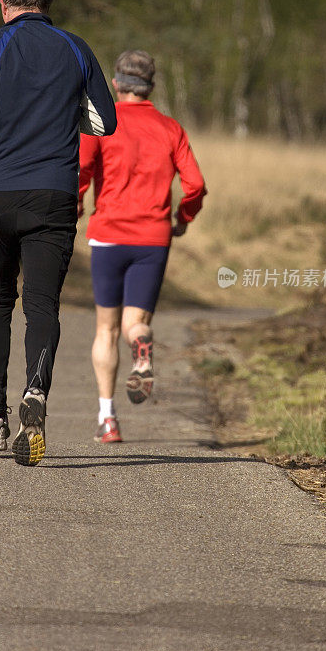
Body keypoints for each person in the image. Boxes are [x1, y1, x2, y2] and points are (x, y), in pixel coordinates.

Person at [0, 0, 116, 465]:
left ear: (3, 1)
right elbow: (105, 122)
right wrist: (62, 114)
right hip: (55, 194)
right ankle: (35, 392)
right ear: (48, 1)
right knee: (42, 306)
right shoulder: (75, 46)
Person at [78, 50, 207, 443]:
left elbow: (80, 170)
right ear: (151, 86)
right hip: (153, 236)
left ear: (116, 84)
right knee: (135, 324)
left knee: (106, 329)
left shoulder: (102, 124)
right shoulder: (171, 129)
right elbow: (196, 185)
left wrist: (77, 205)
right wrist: (182, 219)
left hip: (109, 234)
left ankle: (108, 419)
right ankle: (142, 344)